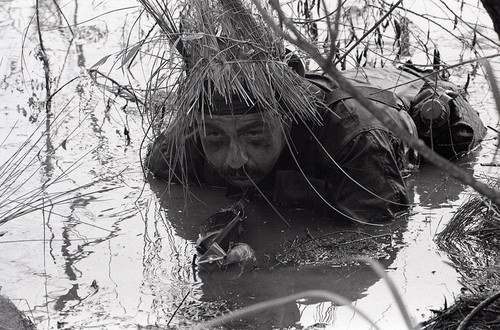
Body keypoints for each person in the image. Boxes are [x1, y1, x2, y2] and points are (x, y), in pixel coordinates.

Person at [142, 0, 486, 225]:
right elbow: (159, 178)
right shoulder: (183, 146)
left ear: (288, 113)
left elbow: (379, 237)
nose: (234, 159)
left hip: (412, 99)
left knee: (454, 138)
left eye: (254, 134)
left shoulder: (354, 138)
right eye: (215, 136)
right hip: (346, 81)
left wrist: (266, 267)